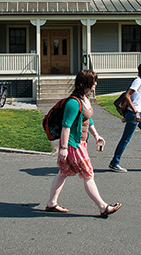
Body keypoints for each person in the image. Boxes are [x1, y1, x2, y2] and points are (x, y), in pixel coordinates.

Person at [46, 69, 121, 217]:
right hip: (73, 145)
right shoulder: (73, 102)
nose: (96, 84)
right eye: (94, 81)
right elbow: (66, 126)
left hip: (80, 143)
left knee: (63, 172)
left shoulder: (85, 99)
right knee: (88, 174)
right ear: (86, 83)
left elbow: (88, 119)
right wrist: (63, 148)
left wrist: (96, 135)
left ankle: (51, 203)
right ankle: (103, 207)